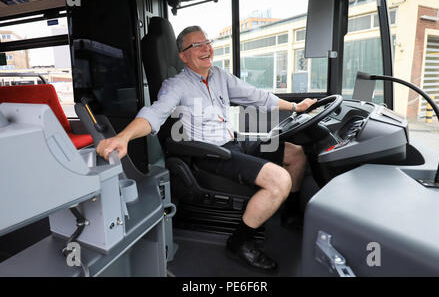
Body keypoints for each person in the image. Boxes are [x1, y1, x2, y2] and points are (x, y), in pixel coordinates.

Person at [96, 25, 317, 272]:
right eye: (196, 45)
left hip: (234, 143)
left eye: (207, 42)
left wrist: (296, 107)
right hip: (211, 154)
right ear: (183, 56)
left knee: (296, 153)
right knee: (280, 180)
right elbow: (155, 113)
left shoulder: (220, 76)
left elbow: (257, 96)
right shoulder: (176, 84)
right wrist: (124, 137)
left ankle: (289, 214)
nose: (206, 48)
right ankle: (239, 242)